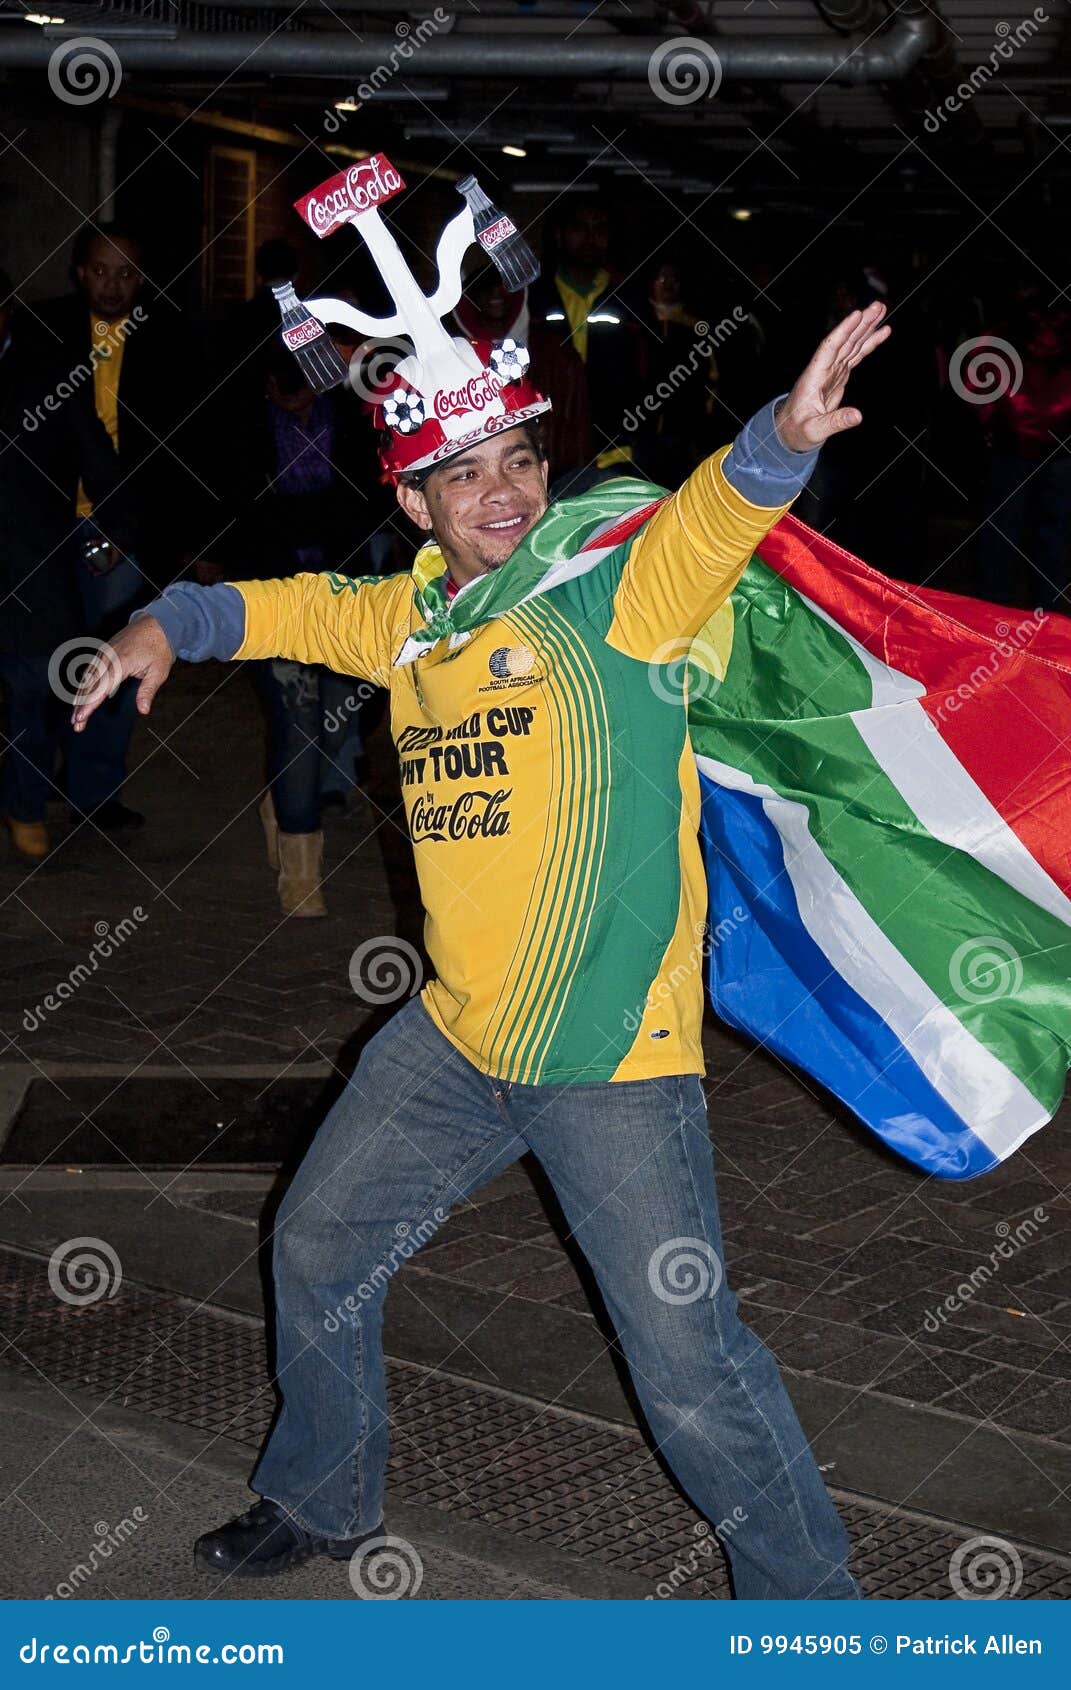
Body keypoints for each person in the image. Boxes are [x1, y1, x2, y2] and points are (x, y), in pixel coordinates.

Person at [74, 179, 889, 1596]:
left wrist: (778, 438)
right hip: (456, 1037)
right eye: (464, 473)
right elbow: (272, 602)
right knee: (319, 1239)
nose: (503, 487)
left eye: (517, 455)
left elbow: (705, 523)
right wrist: (160, 625)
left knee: (684, 1361)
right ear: (410, 498)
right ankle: (321, 1494)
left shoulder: (611, 596)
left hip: (608, 1058)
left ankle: (812, 1614)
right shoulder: (406, 618)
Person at [199, 341, 386, 916]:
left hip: (343, 593)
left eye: (309, 390)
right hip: (274, 598)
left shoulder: (355, 420)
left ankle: (281, 801)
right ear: (268, 388)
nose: (300, 405)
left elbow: (370, 501)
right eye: (287, 393)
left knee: (336, 725)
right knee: (298, 726)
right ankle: (301, 877)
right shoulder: (242, 427)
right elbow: (236, 508)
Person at [35, 222, 201, 828]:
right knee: (44, 657)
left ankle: (93, 792)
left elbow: (184, 441)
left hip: (123, 527)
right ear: (80, 270)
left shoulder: (169, 338)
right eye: (101, 270)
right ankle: (37, 772)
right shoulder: (42, 329)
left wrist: (180, 536)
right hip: (47, 523)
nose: (112, 284)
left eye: (126, 272)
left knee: (116, 653)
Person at [0, 266, 132, 858]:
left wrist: (124, 531)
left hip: (34, 561)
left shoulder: (48, 371)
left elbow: (95, 458)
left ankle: (24, 804)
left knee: (33, 685)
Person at [528, 196, 650, 492]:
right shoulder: (533, 297)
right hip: (546, 446)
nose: (589, 238)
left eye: (599, 229)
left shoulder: (628, 298)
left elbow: (646, 372)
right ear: (559, 234)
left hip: (613, 448)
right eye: (579, 228)